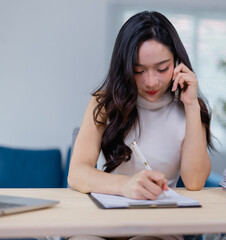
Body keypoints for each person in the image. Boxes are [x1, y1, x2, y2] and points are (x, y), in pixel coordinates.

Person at [68, 10, 212, 236]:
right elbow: (76, 173)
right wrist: (125, 186)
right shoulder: (104, 102)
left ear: (177, 62)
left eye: (162, 68)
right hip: (106, 219)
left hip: (159, 225)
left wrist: (192, 106)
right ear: (124, 67)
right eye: (138, 70)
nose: (151, 81)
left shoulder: (190, 108)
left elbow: (194, 181)